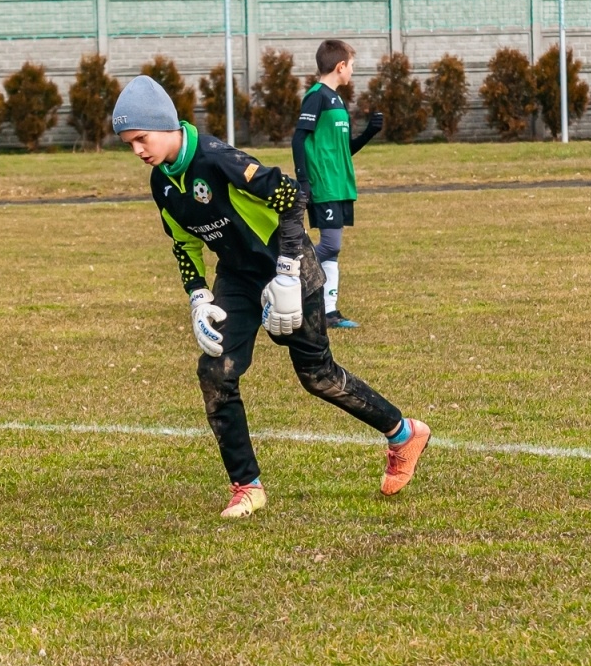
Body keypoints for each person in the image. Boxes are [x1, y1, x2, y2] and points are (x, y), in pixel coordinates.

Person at [111, 74, 430, 518]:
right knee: (216, 372)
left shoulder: (217, 158)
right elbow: (183, 242)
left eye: (141, 138)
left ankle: (403, 433)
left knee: (317, 376)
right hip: (237, 280)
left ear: (167, 124)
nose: (138, 151)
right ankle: (247, 487)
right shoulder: (161, 181)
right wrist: (198, 296)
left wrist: (286, 271)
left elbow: (292, 197)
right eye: (129, 144)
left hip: (290, 266)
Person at [291, 40, 382, 329]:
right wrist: (304, 179)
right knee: (330, 245)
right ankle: (281, 276)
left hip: (340, 185)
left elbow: (342, 150)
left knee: (333, 249)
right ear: (340, 66)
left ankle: (329, 313)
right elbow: (299, 139)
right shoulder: (317, 96)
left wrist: (369, 133)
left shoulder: (338, 100)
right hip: (324, 184)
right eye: (352, 67)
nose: (353, 72)